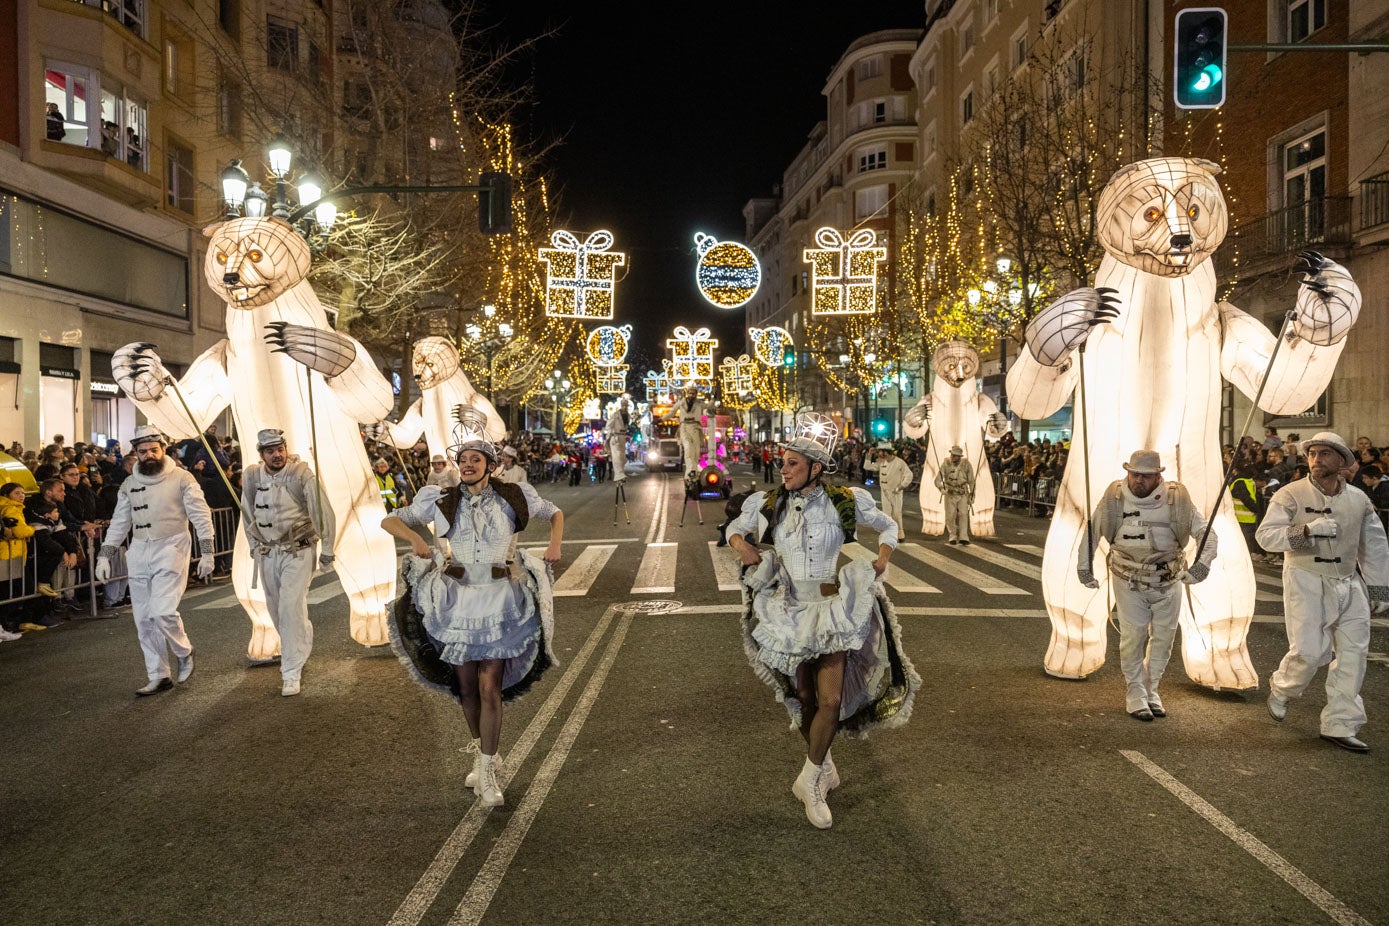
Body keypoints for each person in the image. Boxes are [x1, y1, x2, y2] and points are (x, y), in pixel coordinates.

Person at [727, 413, 919, 829]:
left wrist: (883, 556)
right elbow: (734, 527)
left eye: (792, 463)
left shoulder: (845, 501)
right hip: (790, 610)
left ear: (815, 468)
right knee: (806, 699)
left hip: (833, 609)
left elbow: (887, 525)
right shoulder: (770, 503)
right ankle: (825, 764)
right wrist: (742, 544)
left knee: (829, 699)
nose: (784, 469)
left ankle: (810, 780)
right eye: (783, 463)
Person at [381, 411, 563, 807]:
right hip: (457, 599)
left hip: (500, 597)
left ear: (490, 465)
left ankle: (486, 770)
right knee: (466, 688)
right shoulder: (440, 499)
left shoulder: (514, 495)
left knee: (489, 687)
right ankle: (486, 753)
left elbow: (555, 513)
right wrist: (414, 537)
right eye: (462, 460)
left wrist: (554, 545)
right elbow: (389, 520)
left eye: (475, 460)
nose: (466, 465)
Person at [1256, 432, 1389, 753]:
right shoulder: (1290, 494)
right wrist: (1305, 532)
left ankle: (1340, 724)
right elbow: (1265, 536)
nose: (1316, 460)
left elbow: (1374, 545)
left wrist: (1379, 588)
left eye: (1325, 454)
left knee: (1354, 656)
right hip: (1306, 577)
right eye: (1313, 453)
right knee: (1311, 651)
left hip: (1348, 581)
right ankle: (1283, 688)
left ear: (1342, 460)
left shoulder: (1358, 499)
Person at [1077, 450, 1217, 721]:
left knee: (1164, 639)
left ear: (1158, 476)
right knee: (1133, 637)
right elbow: (1092, 531)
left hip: (1168, 580)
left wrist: (1201, 567)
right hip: (1129, 581)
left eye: (1146, 476)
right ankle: (1135, 692)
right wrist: (1084, 568)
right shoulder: (1114, 497)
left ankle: (1151, 690)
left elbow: (1207, 533)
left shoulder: (1178, 499)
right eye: (1135, 474)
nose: (1139, 480)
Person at [95, 427, 216, 696]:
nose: (149, 455)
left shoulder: (182, 478)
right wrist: (105, 554)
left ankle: (184, 651)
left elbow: (201, 517)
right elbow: (119, 522)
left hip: (172, 547)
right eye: (142, 451)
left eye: (153, 450)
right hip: (139, 551)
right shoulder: (129, 483)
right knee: (144, 620)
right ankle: (159, 675)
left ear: (162, 449)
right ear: (135, 453)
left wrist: (207, 552)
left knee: (162, 611)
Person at [240, 429, 335, 697]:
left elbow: (322, 510)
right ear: (262, 454)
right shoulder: (251, 477)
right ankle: (300, 645)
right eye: (270, 451)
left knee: (290, 606)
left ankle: (290, 671)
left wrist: (327, 547)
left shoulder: (301, 474)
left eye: (280, 448)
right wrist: (253, 545)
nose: (277, 454)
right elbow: (247, 514)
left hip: (298, 551)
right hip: (268, 553)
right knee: (276, 610)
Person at [0, 482, 35, 640]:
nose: (21, 496)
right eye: (17, 493)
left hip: (13, 553)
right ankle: (4, 625)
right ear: (7, 495)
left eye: (22, 493)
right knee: (10, 592)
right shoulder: (10, 509)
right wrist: (31, 529)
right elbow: (20, 531)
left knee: (13, 591)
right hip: (8, 555)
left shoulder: (16, 508)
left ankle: (5, 625)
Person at [865, 443, 912, 537]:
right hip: (884, 491)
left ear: (887, 452)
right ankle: (889, 533)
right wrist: (869, 455)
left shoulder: (899, 462)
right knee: (886, 513)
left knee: (896, 513)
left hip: (896, 491)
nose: (879, 454)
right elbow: (867, 467)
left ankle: (900, 533)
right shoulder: (881, 462)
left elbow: (909, 475)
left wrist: (901, 486)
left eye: (881, 452)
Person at [934, 445, 975, 545]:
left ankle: (963, 536)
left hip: (962, 493)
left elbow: (971, 481)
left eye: (955, 455)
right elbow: (937, 480)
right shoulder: (946, 463)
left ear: (959, 457)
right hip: (950, 493)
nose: (953, 457)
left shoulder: (966, 464)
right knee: (950, 515)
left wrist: (972, 495)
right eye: (952, 455)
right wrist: (941, 488)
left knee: (964, 514)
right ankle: (952, 535)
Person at [676, 386, 707, 477]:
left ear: (696, 394)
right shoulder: (681, 403)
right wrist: (661, 419)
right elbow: (672, 412)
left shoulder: (699, 403)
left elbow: (709, 406)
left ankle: (693, 470)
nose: (691, 395)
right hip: (685, 427)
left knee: (696, 451)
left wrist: (714, 398)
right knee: (688, 448)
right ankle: (691, 470)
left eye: (693, 393)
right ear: (687, 393)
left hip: (695, 428)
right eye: (690, 393)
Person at [606, 395, 632, 483]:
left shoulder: (627, 416)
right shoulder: (615, 415)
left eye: (626, 405)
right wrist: (610, 434)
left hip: (622, 437)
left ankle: (621, 473)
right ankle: (619, 474)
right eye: (623, 405)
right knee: (617, 456)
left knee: (622, 457)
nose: (624, 407)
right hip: (615, 437)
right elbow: (608, 425)